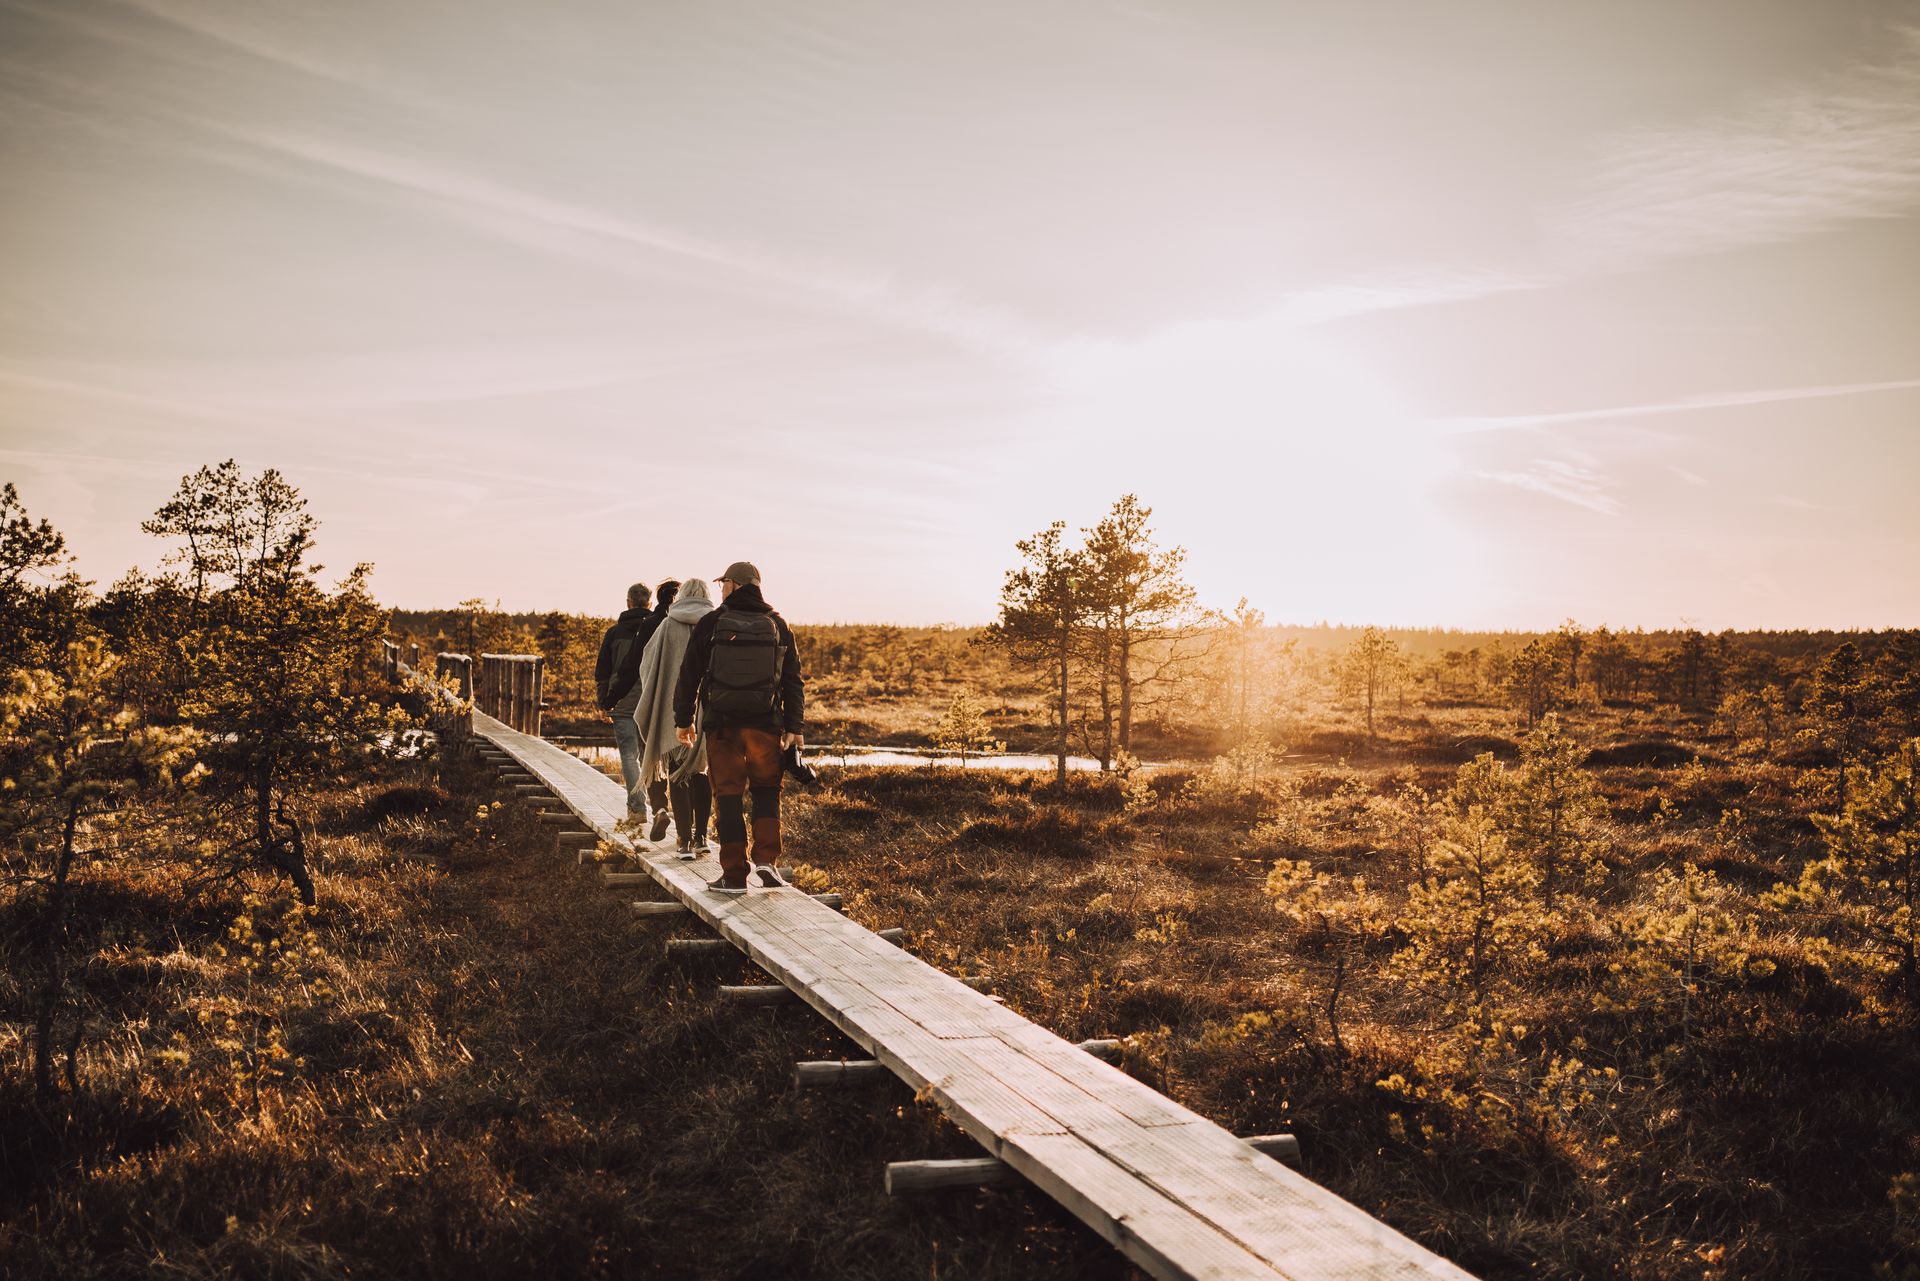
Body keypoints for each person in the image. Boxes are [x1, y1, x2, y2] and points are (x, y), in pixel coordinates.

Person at [674, 561, 805, 894]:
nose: (721, 589)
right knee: (765, 791)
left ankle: (733, 876)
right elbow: (792, 679)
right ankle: (767, 861)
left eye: (723, 584)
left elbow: (689, 674)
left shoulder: (713, 622)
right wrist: (794, 726)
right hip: (766, 726)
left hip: (723, 727)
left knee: (728, 796)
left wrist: (683, 720)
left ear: (733, 584)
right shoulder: (777, 623)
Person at [632, 577, 715, 854]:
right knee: (701, 771)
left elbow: (648, 664)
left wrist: (658, 691)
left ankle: (684, 840)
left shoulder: (668, 625)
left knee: (678, 772)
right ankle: (702, 837)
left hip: (674, 709)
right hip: (708, 708)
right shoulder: (716, 623)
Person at [593, 581, 663, 815]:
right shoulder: (659, 629)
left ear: (628, 603)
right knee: (649, 756)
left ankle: (637, 807)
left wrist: (604, 702)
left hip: (621, 702)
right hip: (650, 702)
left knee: (629, 756)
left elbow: (602, 670)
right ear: (650, 604)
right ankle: (658, 807)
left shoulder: (614, 633)